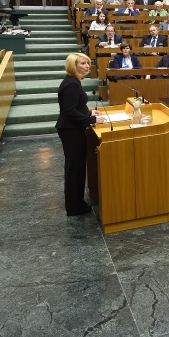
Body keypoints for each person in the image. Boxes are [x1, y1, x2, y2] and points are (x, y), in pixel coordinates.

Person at [56, 53, 107, 216]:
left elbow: (76, 107)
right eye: (83, 63)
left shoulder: (73, 81)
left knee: (76, 168)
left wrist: (90, 112)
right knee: (74, 169)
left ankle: (77, 203)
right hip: (71, 131)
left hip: (73, 128)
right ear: (73, 66)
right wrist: (90, 119)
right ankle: (74, 207)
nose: (87, 66)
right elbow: (69, 111)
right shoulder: (71, 84)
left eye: (88, 63)